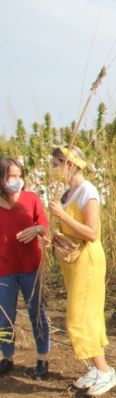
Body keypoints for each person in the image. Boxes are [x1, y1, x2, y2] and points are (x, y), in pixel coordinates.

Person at [48, 146, 116, 396]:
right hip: (72, 261)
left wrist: (61, 215)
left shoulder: (87, 191)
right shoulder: (68, 193)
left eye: (56, 164)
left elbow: (92, 232)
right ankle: (95, 366)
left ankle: (105, 371)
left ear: (70, 164)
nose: (53, 169)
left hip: (87, 261)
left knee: (79, 317)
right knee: (87, 314)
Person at [0, 157, 51, 379]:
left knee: (37, 314)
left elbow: (45, 224)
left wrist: (38, 229)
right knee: (4, 318)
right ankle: (7, 356)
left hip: (31, 267)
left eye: (20, 176)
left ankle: (43, 359)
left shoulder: (31, 199)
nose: (17, 181)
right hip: (4, 270)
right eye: (12, 176)